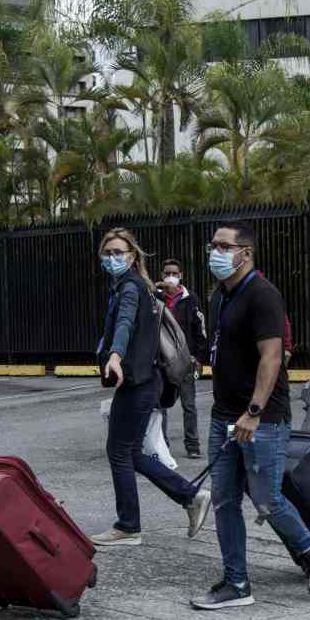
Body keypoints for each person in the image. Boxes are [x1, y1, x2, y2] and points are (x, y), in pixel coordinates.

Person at [191, 223, 310, 610]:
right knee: (224, 499)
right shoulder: (222, 296)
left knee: (266, 499)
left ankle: (307, 547)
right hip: (224, 416)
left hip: (261, 417)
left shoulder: (263, 295)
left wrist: (253, 411)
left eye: (223, 246)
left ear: (245, 253)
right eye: (213, 245)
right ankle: (236, 583)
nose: (214, 252)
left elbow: (272, 358)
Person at [90, 229, 212, 548]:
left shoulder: (130, 288)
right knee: (130, 452)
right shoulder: (138, 286)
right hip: (143, 381)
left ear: (132, 256)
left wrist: (115, 355)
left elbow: (125, 324)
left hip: (137, 381)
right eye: (107, 253)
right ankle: (190, 495)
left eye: (119, 252)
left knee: (119, 452)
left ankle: (129, 526)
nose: (112, 258)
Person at [157, 259, 207, 459]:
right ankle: (162, 445)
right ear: (162, 276)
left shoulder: (190, 298)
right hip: (162, 360)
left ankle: (192, 445)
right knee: (161, 406)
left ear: (181, 275)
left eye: (174, 273)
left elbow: (199, 329)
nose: (171, 276)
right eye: (167, 272)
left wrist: (198, 357)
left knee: (189, 405)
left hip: (186, 360)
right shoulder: (156, 298)